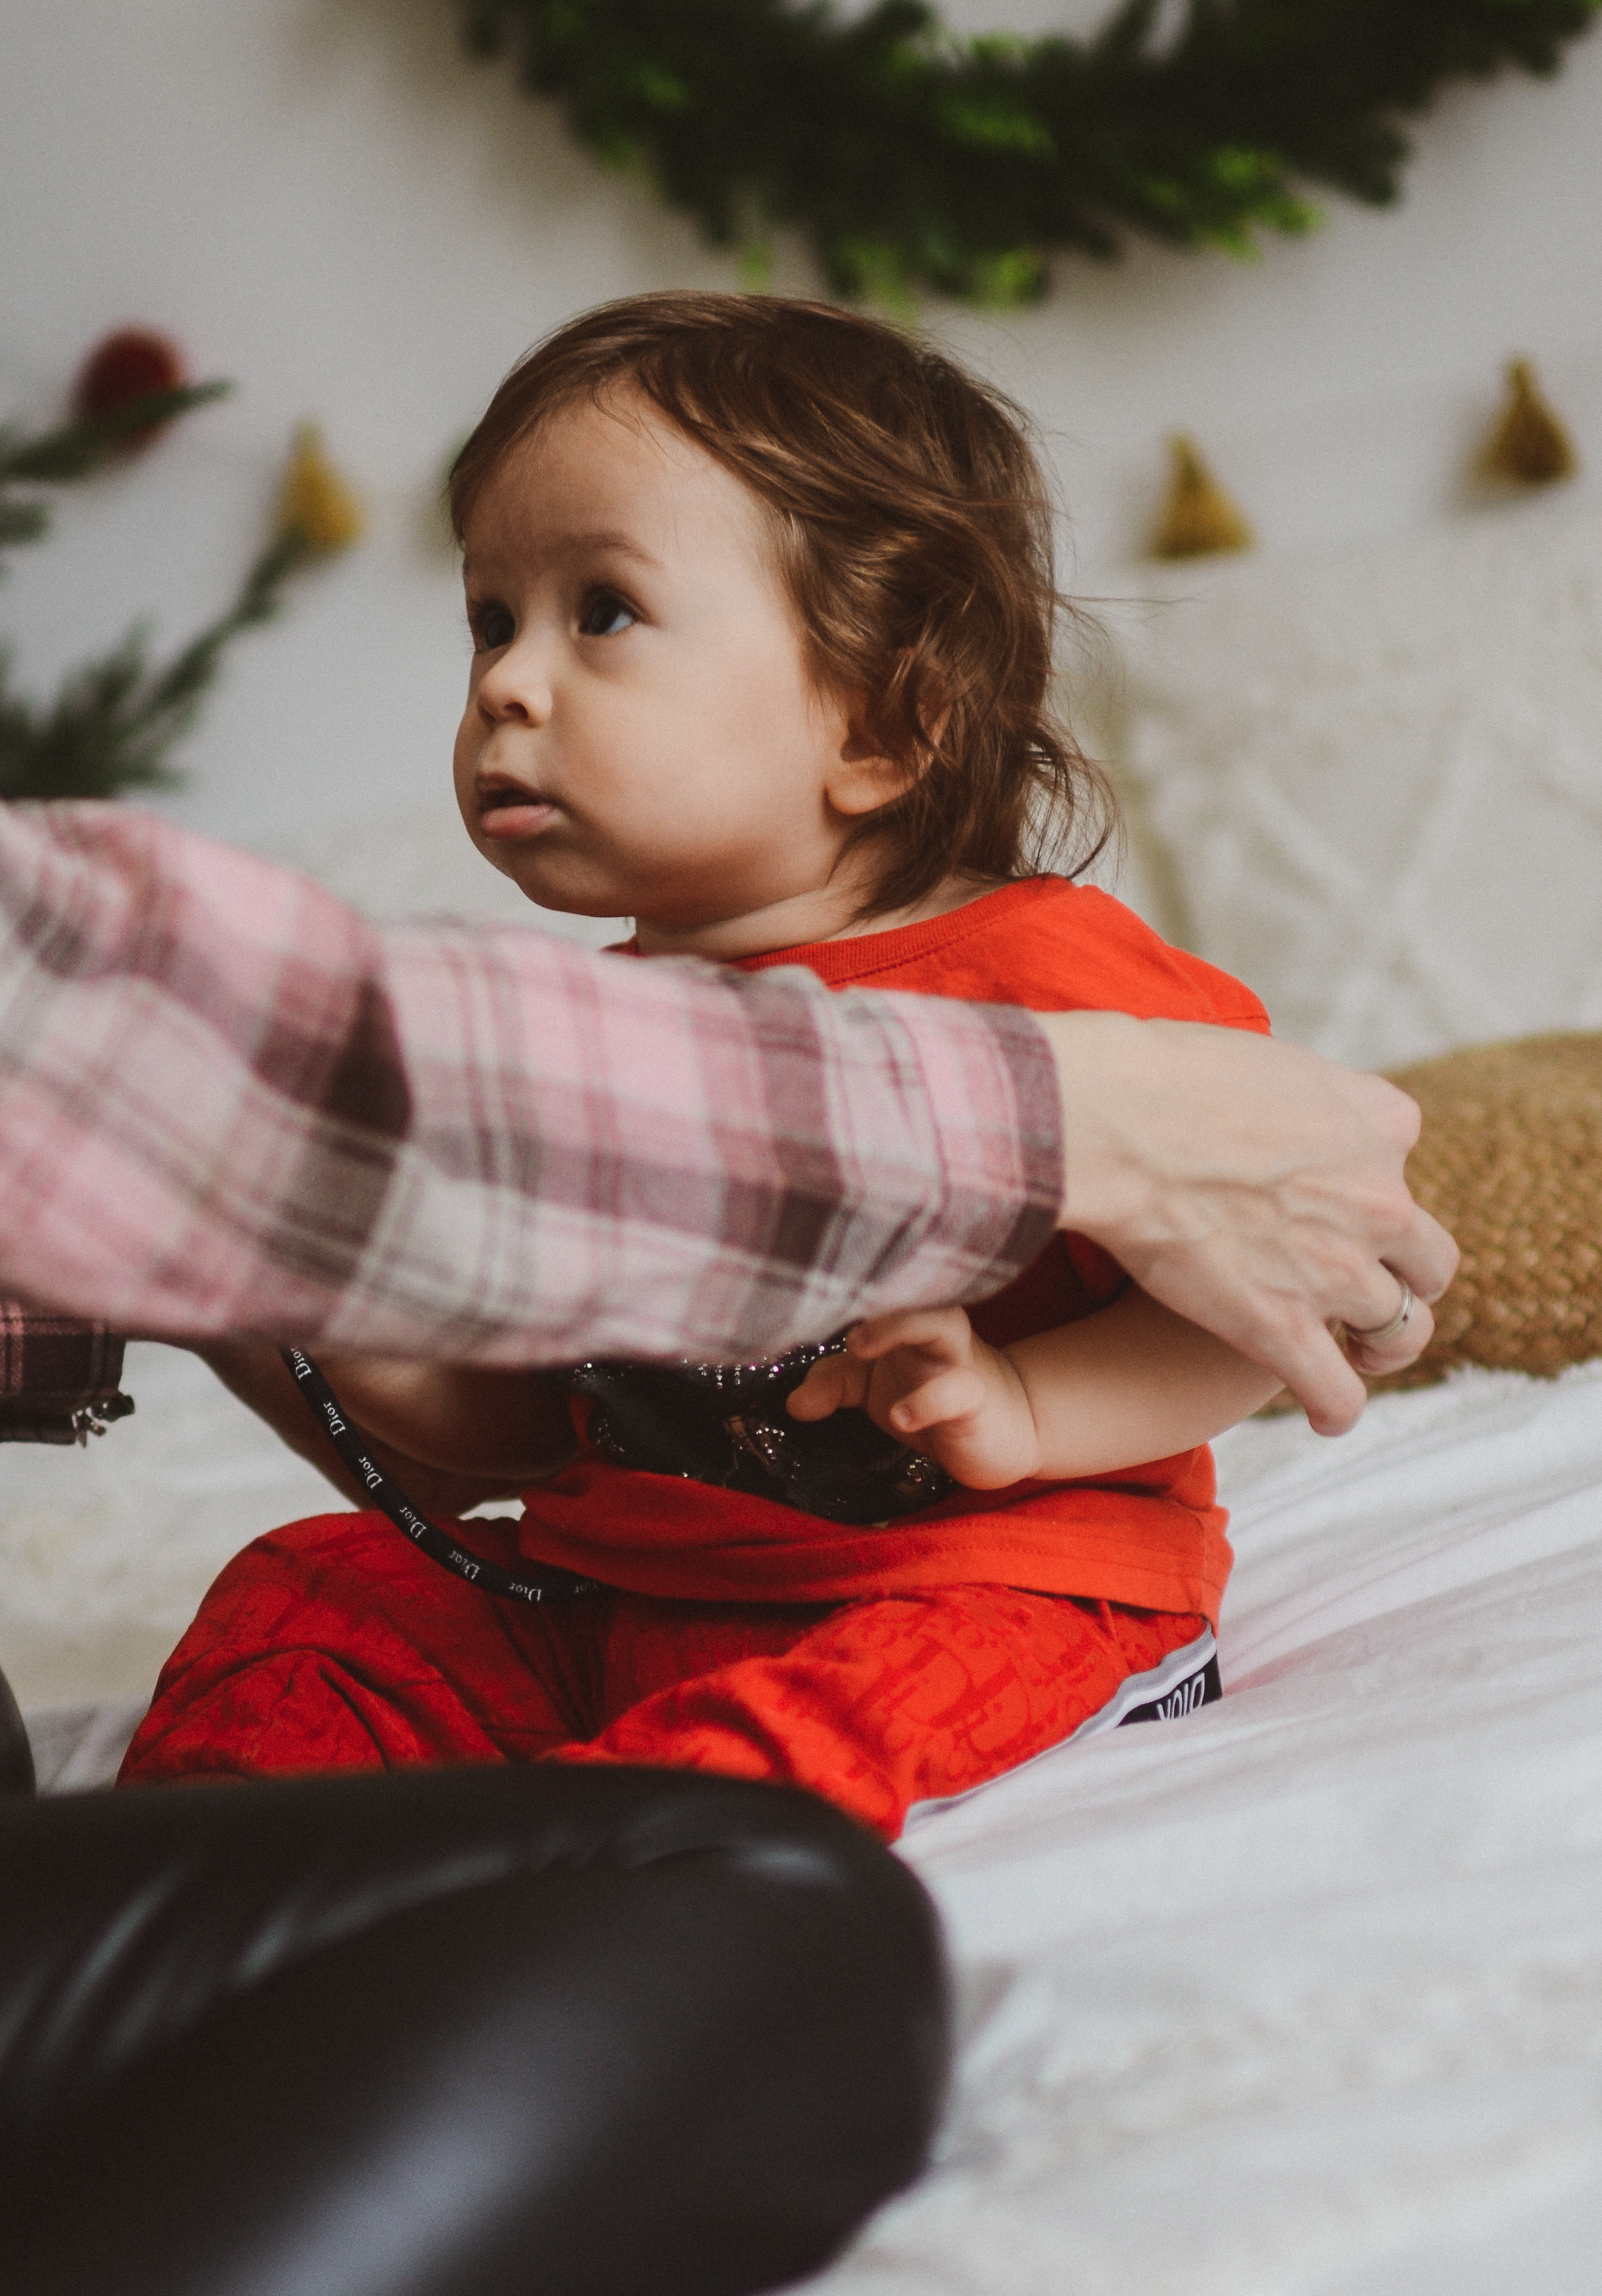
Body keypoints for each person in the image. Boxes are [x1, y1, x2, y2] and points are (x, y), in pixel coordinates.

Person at [117, 295, 1446, 1837]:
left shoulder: (1050, 981)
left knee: (815, 1725)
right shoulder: (567, 1042)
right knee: (312, 1590)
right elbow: (525, 1422)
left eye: (600, 611)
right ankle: (203, 1895)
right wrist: (295, 1289)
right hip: (623, 1595)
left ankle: (593, 1887)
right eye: (490, 619)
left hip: (983, 1589)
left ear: (880, 723)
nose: (505, 684)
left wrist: (1024, 1402)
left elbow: (1251, 1309)